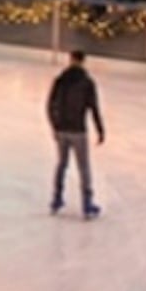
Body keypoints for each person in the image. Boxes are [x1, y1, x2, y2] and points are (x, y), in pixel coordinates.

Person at [47, 50, 105, 219]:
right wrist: (100, 129)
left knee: (61, 164)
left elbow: (50, 105)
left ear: (71, 59)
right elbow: (94, 108)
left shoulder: (60, 80)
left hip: (62, 129)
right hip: (78, 130)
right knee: (83, 167)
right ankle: (86, 204)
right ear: (83, 61)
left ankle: (56, 198)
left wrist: (55, 125)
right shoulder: (87, 83)